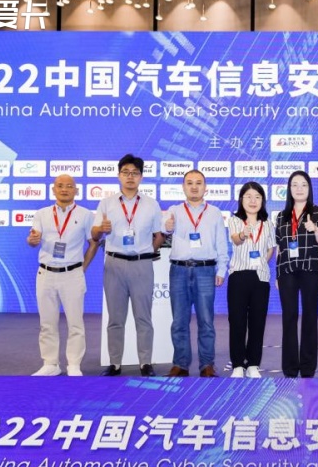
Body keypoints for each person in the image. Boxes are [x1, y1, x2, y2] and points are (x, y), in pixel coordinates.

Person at [91, 154, 165, 377]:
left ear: (141, 177)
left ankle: (145, 363)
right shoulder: (106, 203)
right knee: (115, 318)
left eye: (135, 173)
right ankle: (115, 363)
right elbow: (94, 234)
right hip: (114, 264)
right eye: (126, 172)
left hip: (142, 265)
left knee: (144, 317)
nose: (130, 177)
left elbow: (159, 235)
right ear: (118, 175)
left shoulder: (151, 204)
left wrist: (147, 252)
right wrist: (101, 229)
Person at [27, 174, 100, 377]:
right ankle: (50, 363)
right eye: (60, 186)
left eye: (69, 186)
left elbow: (94, 243)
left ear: (76, 190)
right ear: (53, 189)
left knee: (75, 323)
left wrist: (82, 267)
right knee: (47, 323)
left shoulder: (86, 215)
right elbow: (33, 239)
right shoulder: (42, 214)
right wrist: (32, 240)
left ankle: (74, 364)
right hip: (46, 273)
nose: (64, 189)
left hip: (72, 274)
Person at [163, 170, 229, 378]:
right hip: (179, 270)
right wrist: (166, 227)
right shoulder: (173, 211)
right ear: (183, 187)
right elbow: (162, 231)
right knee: (179, 321)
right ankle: (180, 365)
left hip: (205, 270)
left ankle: (207, 364)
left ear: (205, 187)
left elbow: (221, 243)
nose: (194, 187)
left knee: (206, 321)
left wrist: (222, 269)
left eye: (198, 183)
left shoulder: (215, 213)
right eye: (189, 183)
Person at [275, 171, 318, 378]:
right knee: (288, 317)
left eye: (304, 184)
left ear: (309, 188)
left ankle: (307, 367)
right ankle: (290, 367)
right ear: (289, 189)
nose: (299, 188)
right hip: (287, 270)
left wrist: (314, 228)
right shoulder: (281, 216)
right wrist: (277, 273)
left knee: (310, 316)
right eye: (295, 185)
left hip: (311, 269)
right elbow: (280, 247)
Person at [226, 182, 276, 378]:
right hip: (239, 275)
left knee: (257, 322)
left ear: (262, 200)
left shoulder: (268, 224)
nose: (253, 201)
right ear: (241, 200)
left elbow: (271, 248)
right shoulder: (235, 220)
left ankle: (253, 364)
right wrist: (243, 234)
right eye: (248, 196)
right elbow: (236, 239)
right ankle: (238, 365)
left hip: (260, 278)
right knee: (237, 321)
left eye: (257, 197)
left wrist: (262, 261)